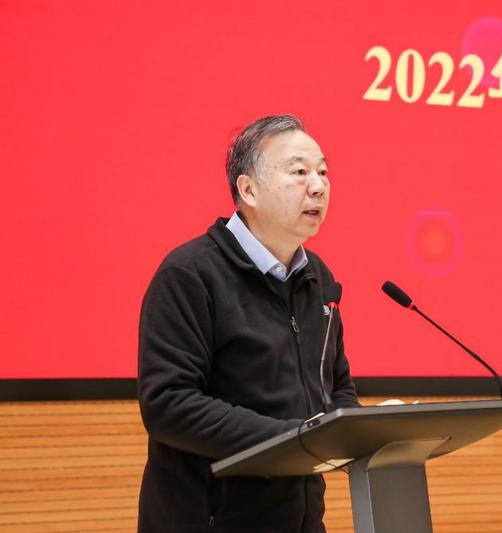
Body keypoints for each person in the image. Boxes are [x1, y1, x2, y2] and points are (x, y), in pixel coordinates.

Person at [137, 114, 359, 532]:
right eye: (299, 172)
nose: (318, 186)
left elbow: (335, 385)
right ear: (248, 189)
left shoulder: (317, 277)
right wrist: (296, 439)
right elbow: (169, 404)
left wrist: (361, 432)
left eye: (323, 171)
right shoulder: (190, 274)